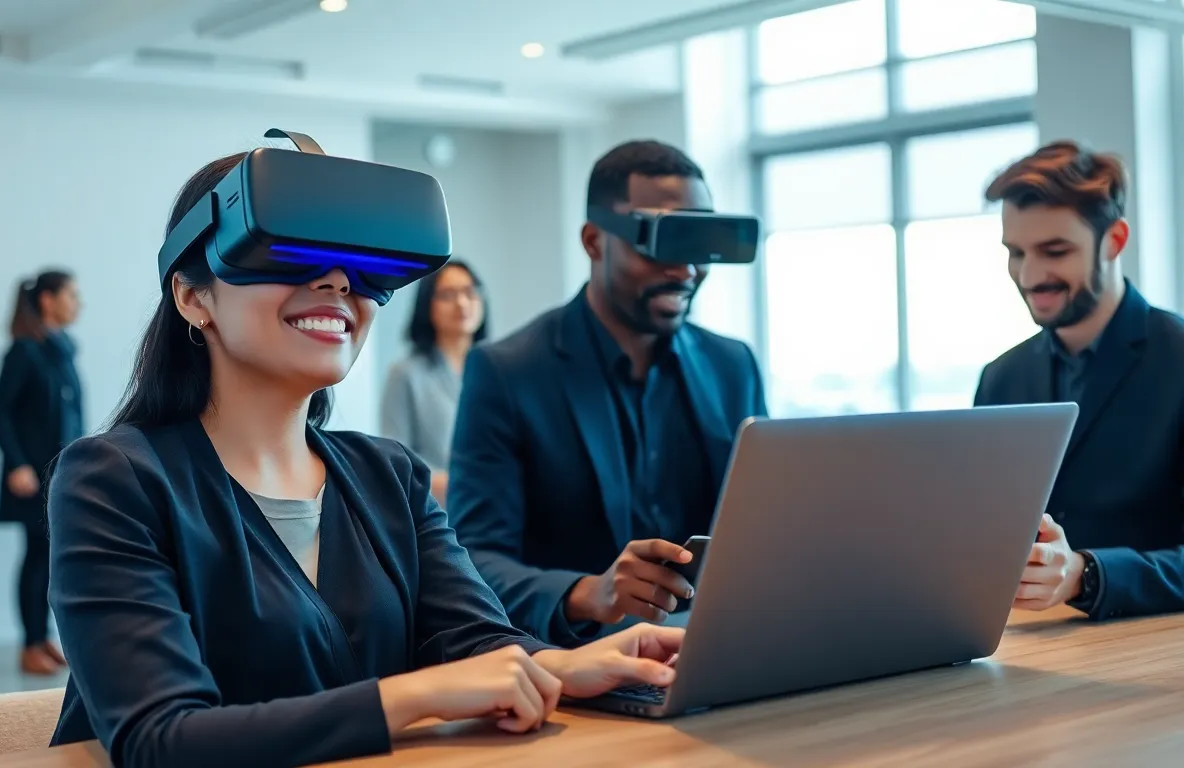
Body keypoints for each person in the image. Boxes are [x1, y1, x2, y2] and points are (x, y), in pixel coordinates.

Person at [45, 152, 686, 768]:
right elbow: (160, 741)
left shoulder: (390, 476)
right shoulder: (112, 481)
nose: (337, 283)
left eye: (358, 266)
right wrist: (416, 695)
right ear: (193, 297)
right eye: (288, 251)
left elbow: (477, 640)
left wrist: (569, 664)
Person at [446, 140, 768, 647]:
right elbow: (473, 559)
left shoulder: (732, 366)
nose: (684, 269)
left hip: (718, 647)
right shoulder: (509, 371)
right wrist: (587, 592)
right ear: (595, 241)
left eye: (696, 242)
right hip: (582, 664)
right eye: (661, 241)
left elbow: (765, 524)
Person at [975, 140, 1184, 621]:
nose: (1029, 275)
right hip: (1024, 649)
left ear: (1114, 240)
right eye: (1016, 252)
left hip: (1157, 657)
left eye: (1055, 251)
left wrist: (1084, 574)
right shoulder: (1001, 379)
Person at [0, 269, 83, 676]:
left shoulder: (62, 349)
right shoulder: (24, 351)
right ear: (47, 299)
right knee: (35, 558)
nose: (78, 303)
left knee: (49, 559)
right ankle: (28, 645)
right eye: (71, 295)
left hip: (60, 473)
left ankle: (42, 637)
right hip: (31, 477)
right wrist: (17, 464)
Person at [379, 260, 488, 504]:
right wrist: (466, 483)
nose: (461, 303)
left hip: (495, 516)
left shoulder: (497, 371)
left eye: (469, 292)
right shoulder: (405, 374)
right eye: (447, 295)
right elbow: (396, 462)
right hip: (436, 516)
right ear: (427, 304)